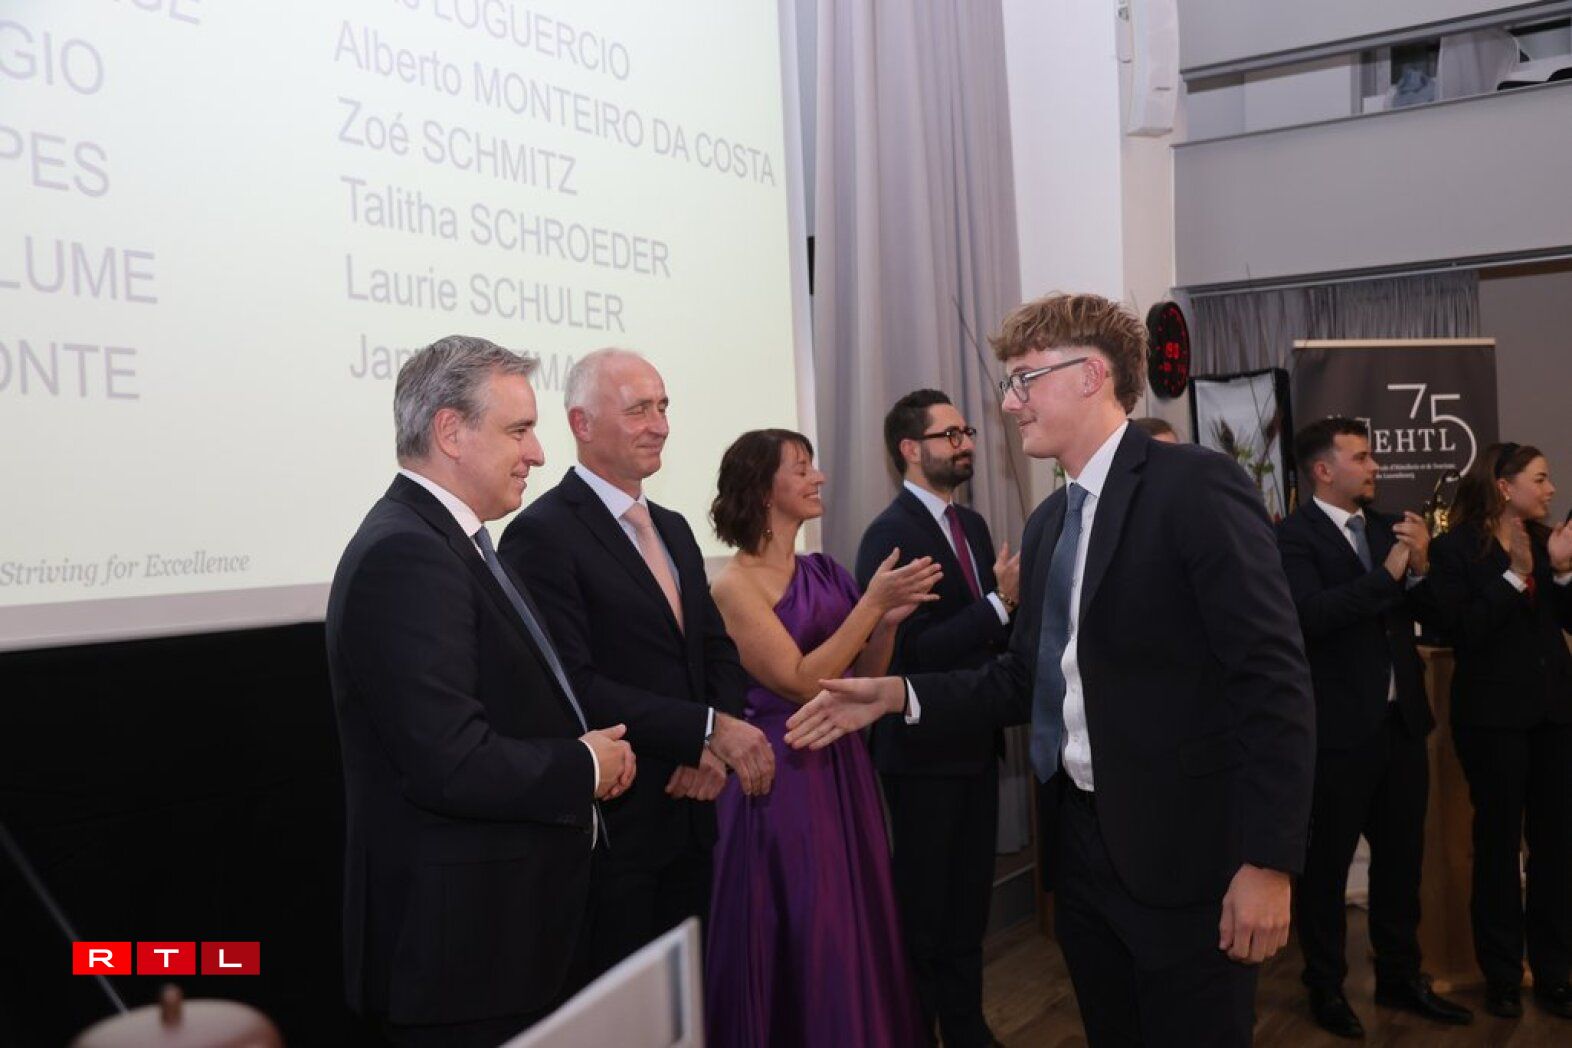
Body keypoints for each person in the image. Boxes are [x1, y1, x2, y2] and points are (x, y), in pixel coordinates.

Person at [786, 292, 1316, 1046]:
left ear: (1092, 376)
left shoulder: (1194, 486)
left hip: (1188, 856)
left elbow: (1273, 682)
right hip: (1083, 855)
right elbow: (1024, 680)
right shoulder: (1048, 522)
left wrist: (1268, 861)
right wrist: (895, 694)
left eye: (1024, 380)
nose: (1009, 404)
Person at [325, 336, 635, 1047]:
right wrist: (585, 765)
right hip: (463, 960)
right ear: (450, 431)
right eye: (519, 430)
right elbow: (450, 762)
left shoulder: (449, 542)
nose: (538, 454)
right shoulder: (407, 554)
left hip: (500, 944)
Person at [498, 349, 774, 977]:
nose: (660, 425)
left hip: (694, 809)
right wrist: (705, 731)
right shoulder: (542, 533)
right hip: (620, 828)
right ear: (581, 423)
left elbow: (714, 650)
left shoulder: (673, 528)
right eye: (638, 410)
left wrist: (711, 748)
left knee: (687, 1002)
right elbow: (572, 686)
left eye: (663, 407)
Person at [705, 428, 938, 1047]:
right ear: (763, 490)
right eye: (802, 468)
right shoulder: (734, 586)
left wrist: (885, 625)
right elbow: (802, 681)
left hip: (842, 766)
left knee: (853, 921)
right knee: (809, 925)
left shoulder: (826, 570)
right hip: (781, 778)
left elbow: (862, 680)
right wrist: (871, 606)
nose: (819, 477)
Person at [1276, 417, 1472, 1037]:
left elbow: (1439, 616)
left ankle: (1399, 976)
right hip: (1337, 734)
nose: (1375, 467)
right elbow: (1311, 617)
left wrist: (1421, 567)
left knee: (1400, 863)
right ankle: (1326, 987)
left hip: (1400, 726)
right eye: (1361, 457)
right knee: (1327, 869)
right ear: (1323, 470)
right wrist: (1386, 576)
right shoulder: (1293, 538)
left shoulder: (1390, 528)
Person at [854, 389, 1019, 1048]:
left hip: (975, 742)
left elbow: (981, 640)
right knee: (925, 914)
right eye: (950, 435)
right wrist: (1001, 605)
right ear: (909, 449)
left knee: (968, 906)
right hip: (922, 754)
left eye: (966, 431)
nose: (966, 443)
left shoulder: (970, 525)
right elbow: (913, 653)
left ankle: (967, 1026)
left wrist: (1007, 616)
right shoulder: (890, 535)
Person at [1429, 442, 1572, 1020]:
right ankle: (1503, 976)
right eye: (1540, 479)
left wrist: (1562, 572)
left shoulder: (1547, 540)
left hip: (1554, 717)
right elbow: (1461, 629)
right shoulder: (1455, 549)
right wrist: (1515, 577)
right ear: (1504, 486)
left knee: (1557, 850)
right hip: (1492, 721)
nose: (1551, 489)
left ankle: (1555, 973)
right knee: (1497, 848)